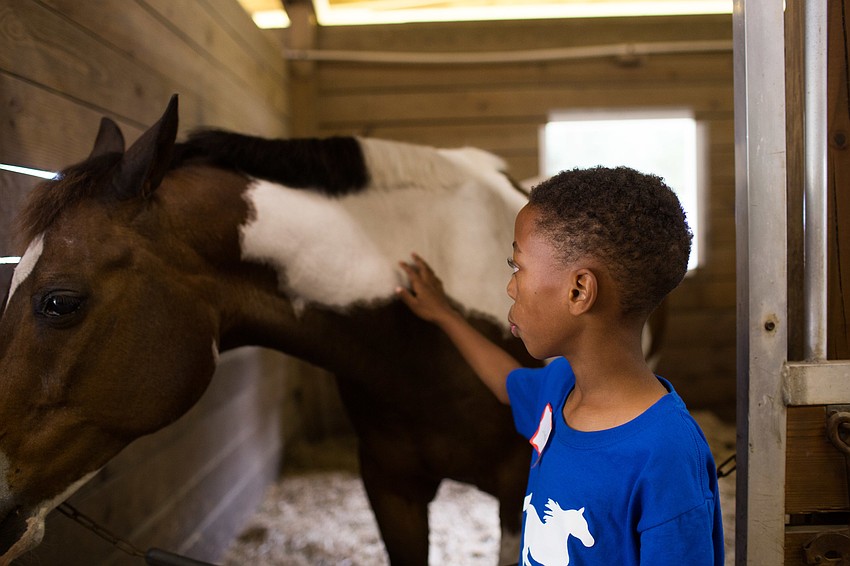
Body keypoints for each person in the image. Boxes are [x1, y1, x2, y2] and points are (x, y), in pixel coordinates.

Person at [396, 166, 723, 565]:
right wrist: (445, 314)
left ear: (579, 290)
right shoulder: (561, 385)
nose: (510, 286)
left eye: (518, 267)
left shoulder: (666, 455)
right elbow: (506, 383)